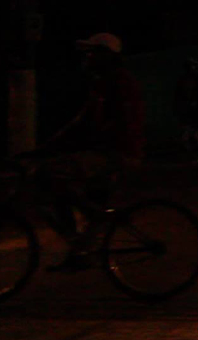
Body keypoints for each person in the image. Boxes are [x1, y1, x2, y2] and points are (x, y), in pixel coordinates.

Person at [38, 33, 145, 271]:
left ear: (107, 55)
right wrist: (51, 144)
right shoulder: (101, 83)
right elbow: (82, 120)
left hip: (118, 154)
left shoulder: (120, 82)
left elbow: (120, 123)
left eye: (92, 52)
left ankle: (82, 239)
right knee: (89, 198)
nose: (87, 57)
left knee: (47, 174)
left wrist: (84, 140)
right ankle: (82, 249)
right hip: (107, 152)